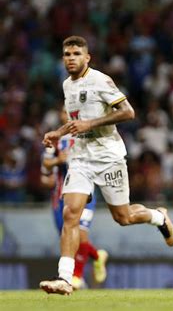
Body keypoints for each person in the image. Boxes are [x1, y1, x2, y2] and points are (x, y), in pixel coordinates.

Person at [40, 36, 173, 295]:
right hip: (80, 157)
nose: (71, 58)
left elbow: (128, 112)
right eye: (67, 54)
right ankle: (65, 279)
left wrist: (90, 125)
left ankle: (159, 217)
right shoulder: (67, 85)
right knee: (71, 214)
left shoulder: (100, 81)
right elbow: (77, 121)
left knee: (123, 217)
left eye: (76, 53)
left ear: (87, 57)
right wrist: (59, 132)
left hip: (108, 157)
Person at [40, 107, 108, 290]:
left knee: (81, 232)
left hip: (86, 192)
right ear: (61, 115)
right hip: (60, 195)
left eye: (70, 111)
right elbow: (46, 163)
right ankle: (96, 255)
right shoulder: (56, 140)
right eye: (63, 111)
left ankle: (76, 277)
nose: (66, 114)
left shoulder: (87, 136)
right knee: (69, 238)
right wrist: (57, 161)